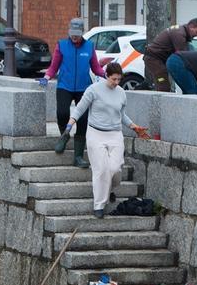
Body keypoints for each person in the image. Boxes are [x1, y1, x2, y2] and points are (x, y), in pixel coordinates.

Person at [66, 62, 149, 219]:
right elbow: (79, 109)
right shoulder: (94, 90)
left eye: (119, 79)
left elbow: (121, 115)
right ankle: (99, 205)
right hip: (95, 133)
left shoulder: (121, 93)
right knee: (101, 170)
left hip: (115, 134)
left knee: (115, 169)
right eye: (114, 79)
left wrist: (134, 126)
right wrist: (69, 126)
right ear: (106, 76)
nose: (116, 83)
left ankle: (109, 188)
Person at [41, 18, 105, 168]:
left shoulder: (89, 46)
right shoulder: (61, 45)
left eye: (77, 34)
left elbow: (95, 68)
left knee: (82, 121)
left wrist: (105, 74)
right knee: (62, 113)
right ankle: (64, 135)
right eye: (72, 34)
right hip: (65, 85)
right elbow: (53, 67)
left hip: (84, 88)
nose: (74, 37)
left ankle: (78, 157)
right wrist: (46, 77)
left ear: (82, 32)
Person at [142, 18, 197, 91]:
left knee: (162, 81)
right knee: (163, 82)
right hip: (154, 59)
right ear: (191, 27)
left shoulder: (181, 31)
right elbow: (183, 56)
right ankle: (163, 100)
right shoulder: (179, 34)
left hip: (157, 58)